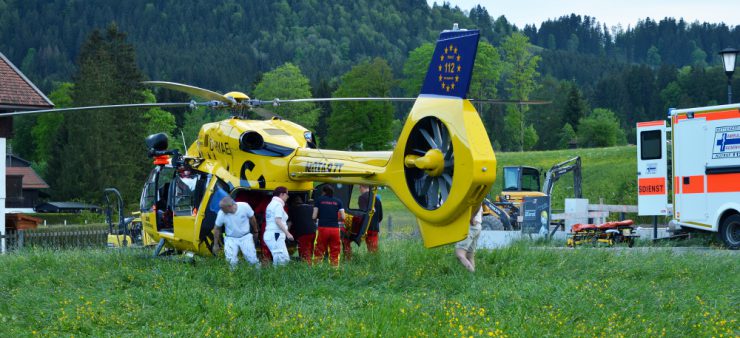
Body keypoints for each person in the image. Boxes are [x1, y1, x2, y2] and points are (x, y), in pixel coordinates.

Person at [212, 196, 259, 268]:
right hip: (230, 238)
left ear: (230, 206)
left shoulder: (244, 206)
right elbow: (217, 228)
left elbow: (252, 218)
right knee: (231, 262)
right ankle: (233, 277)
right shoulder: (221, 213)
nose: (221, 210)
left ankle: (257, 276)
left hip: (245, 237)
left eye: (223, 208)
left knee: (252, 260)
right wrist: (215, 244)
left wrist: (255, 231)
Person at [312, 185, 346, 266]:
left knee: (319, 248)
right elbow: (343, 217)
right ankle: (334, 269)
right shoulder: (338, 201)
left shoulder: (319, 200)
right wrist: (336, 219)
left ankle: (316, 268)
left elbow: (314, 216)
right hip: (335, 229)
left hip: (322, 228)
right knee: (335, 249)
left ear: (323, 192)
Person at [264, 186, 293, 266]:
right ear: (281, 194)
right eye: (287, 194)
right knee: (280, 260)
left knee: (284, 259)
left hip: (273, 234)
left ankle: (278, 276)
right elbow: (277, 220)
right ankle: (276, 277)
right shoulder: (277, 205)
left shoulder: (272, 204)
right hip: (276, 234)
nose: (288, 196)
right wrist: (288, 233)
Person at [455, 203, 483, 272]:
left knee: (460, 254)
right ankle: (473, 278)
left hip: (469, 226)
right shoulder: (478, 195)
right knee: (469, 255)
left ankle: (472, 272)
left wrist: (471, 217)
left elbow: (479, 204)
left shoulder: (471, 195)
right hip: (477, 225)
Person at [358, 184, 383, 253]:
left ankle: (373, 260)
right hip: (374, 227)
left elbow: (362, 213)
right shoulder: (377, 199)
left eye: (359, 188)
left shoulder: (362, 197)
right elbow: (380, 216)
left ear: (361, 187)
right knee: (373, 247)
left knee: (370, 246)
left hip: (366, 226)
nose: (359, 190)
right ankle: (374, 260)